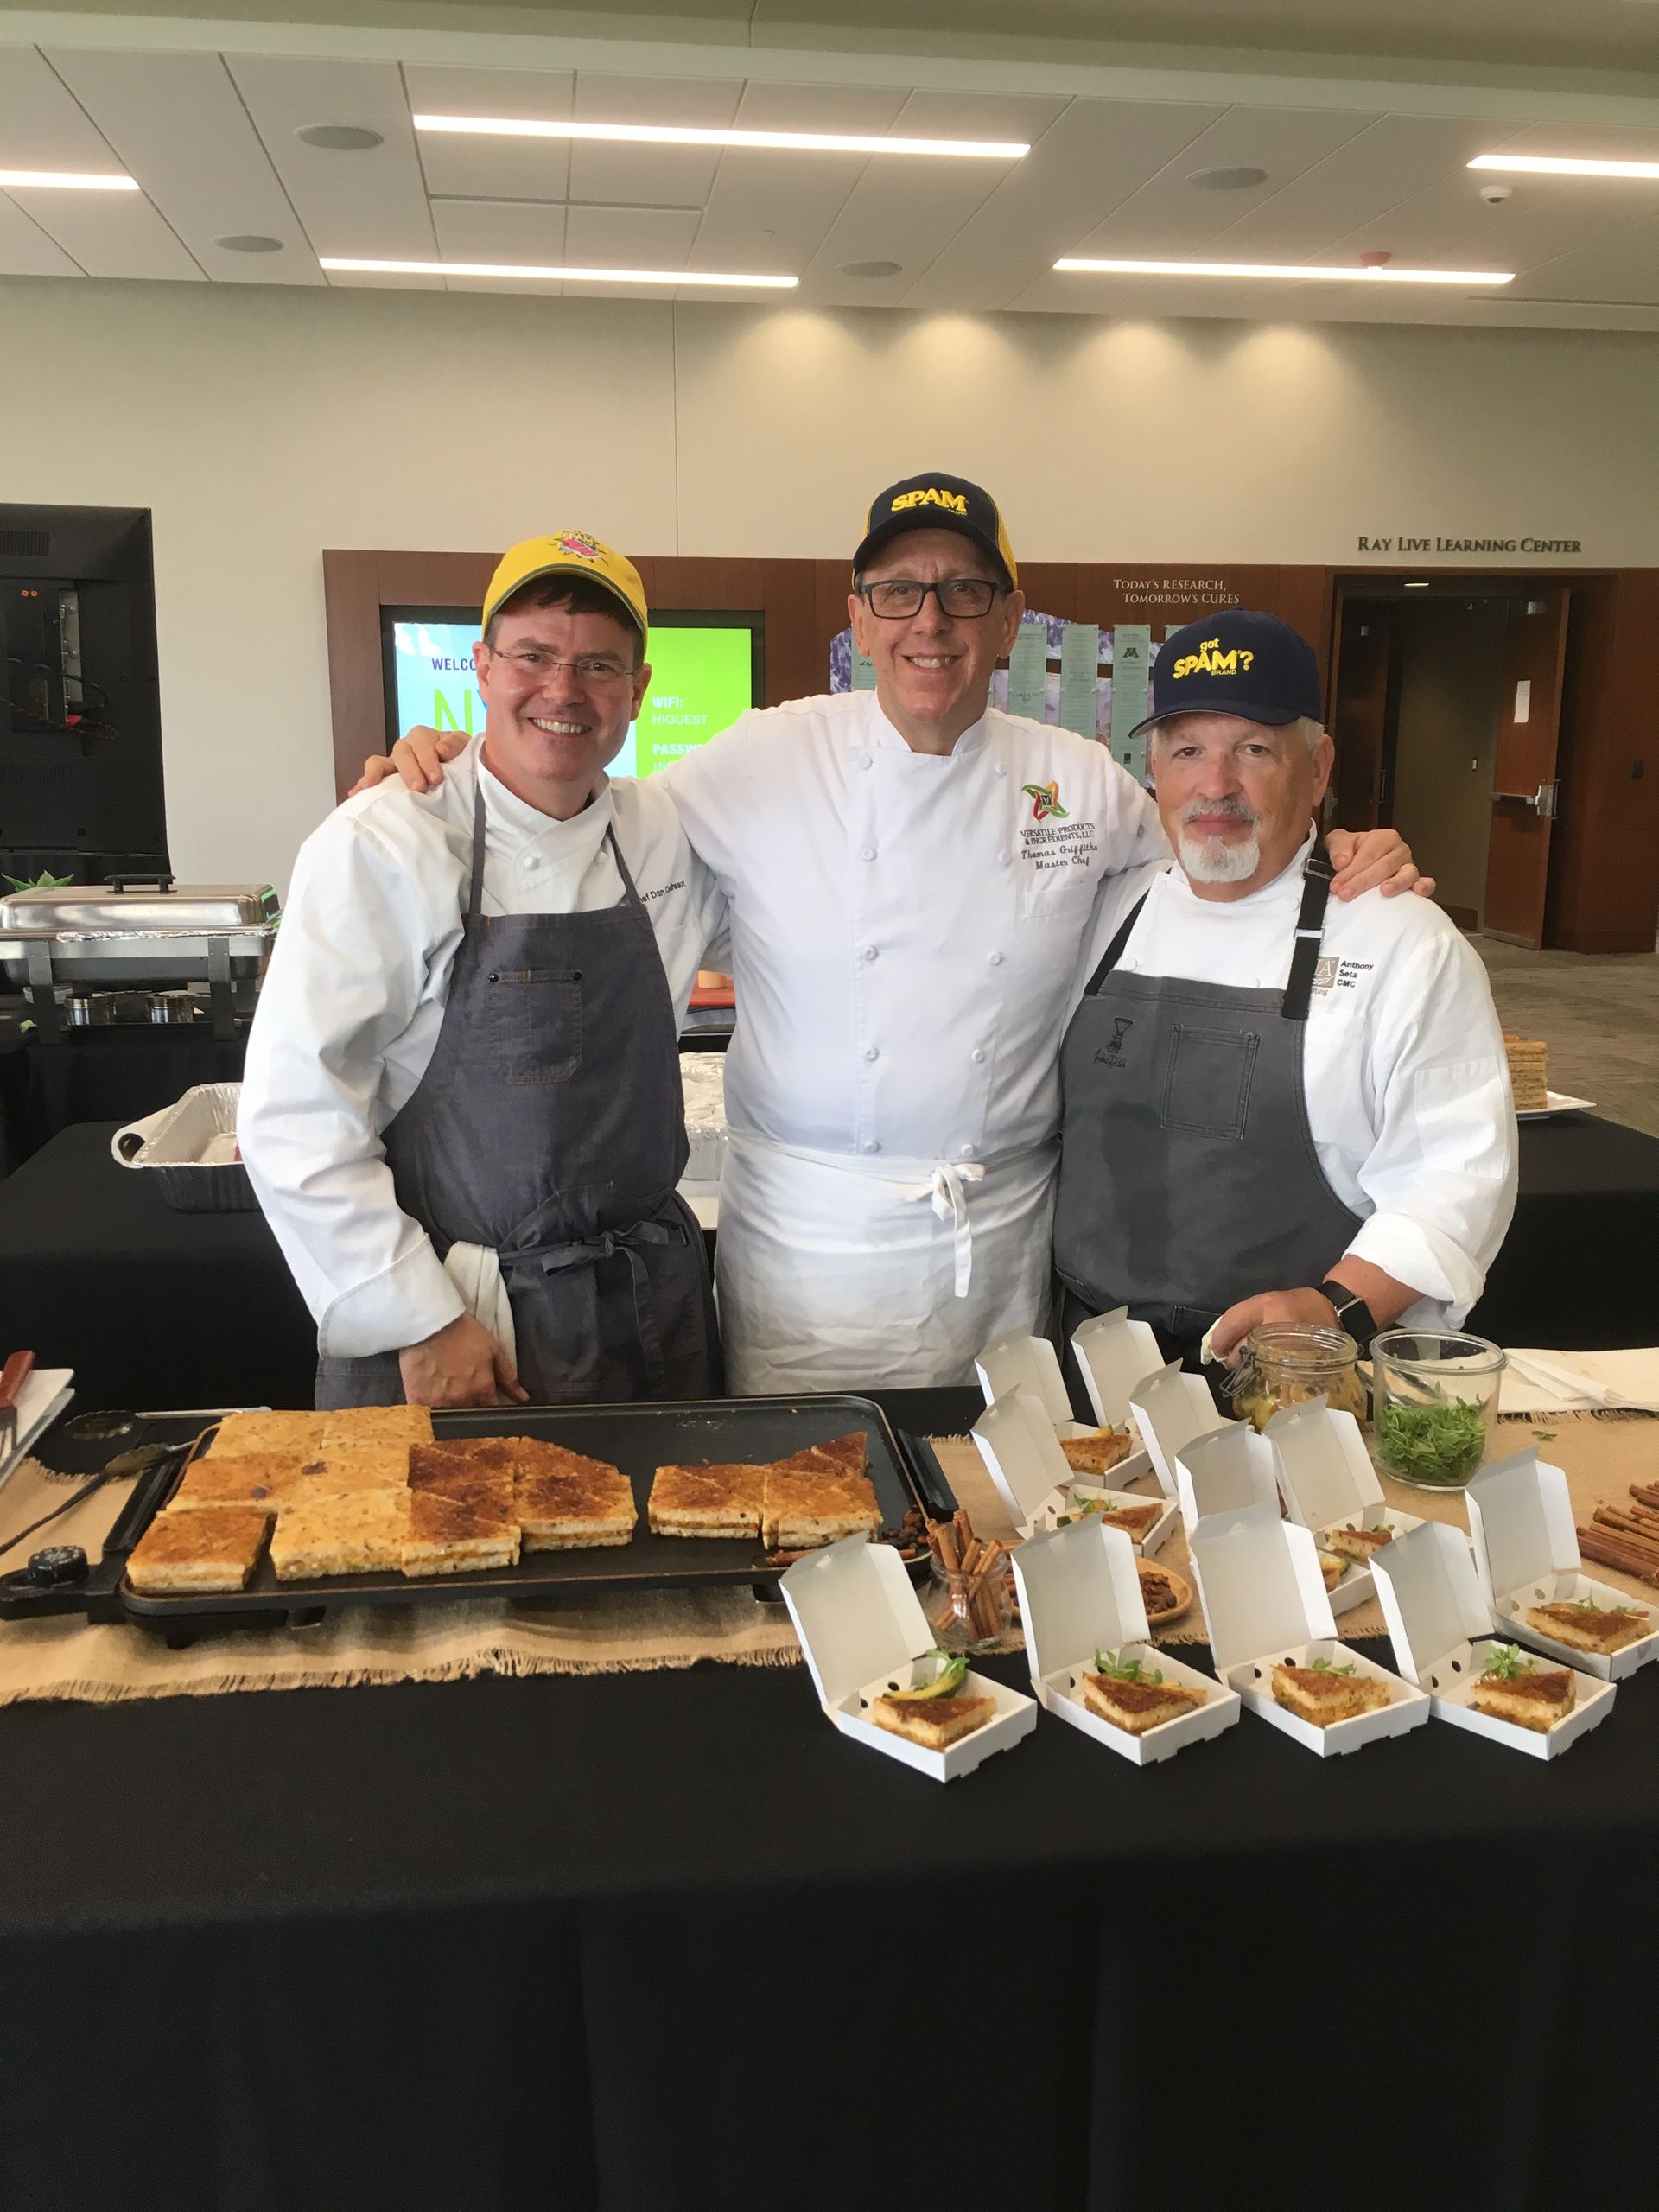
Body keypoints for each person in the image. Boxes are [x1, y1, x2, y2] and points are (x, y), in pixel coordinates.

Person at [359, 475, 1427, 1392]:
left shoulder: (1080, 783)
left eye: (965, 592)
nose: (932, 622)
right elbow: (584, 812)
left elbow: (1216, 864)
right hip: (806, 1254)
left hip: (999, 1242)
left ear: (1012, 621)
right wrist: (459, 778)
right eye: (900, 593)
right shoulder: (763, 758)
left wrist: (1339, 852)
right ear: (859, 620)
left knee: (994, 1509)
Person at [240, 532, 728, 1408]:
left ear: (639, 689)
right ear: (482, 667)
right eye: (532, 656)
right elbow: (295, 1115)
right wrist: (419, 1320)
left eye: (599, 666)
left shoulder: (671, 830)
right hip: (460, 1324)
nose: (563, 691)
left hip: (645, 1315)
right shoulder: (385, 841)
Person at [1054, 608, 1516, 1376]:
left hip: (1295, 1374)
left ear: (1320, 766)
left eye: (1255, 750)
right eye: (1188, 749)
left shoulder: (1402, 941)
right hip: (1087, 1360)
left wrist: (1335, 1307)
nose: (1215, 785)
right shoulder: (1104, 909)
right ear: (1154, 768)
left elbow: (1456, 1174)